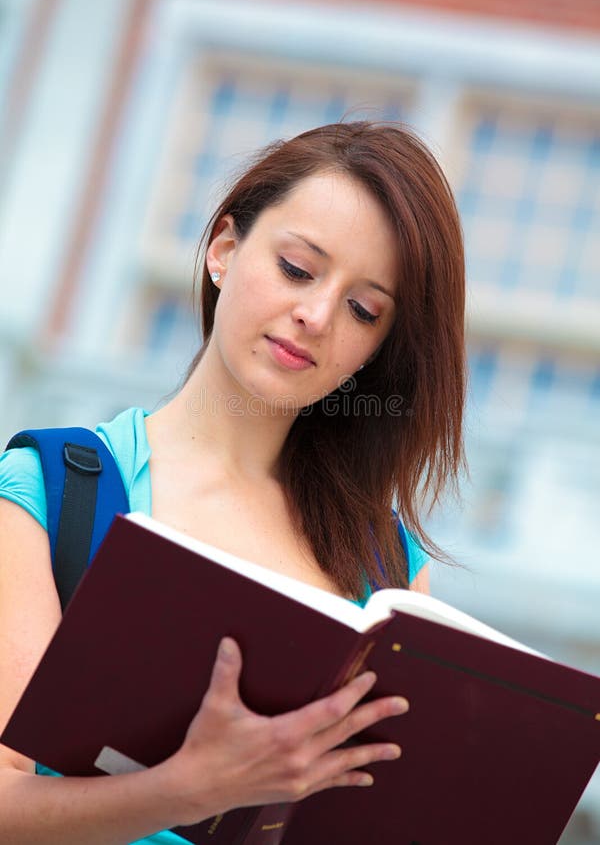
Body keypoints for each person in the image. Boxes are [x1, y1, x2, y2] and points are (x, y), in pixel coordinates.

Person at [0, 120, 466, 843]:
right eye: (298, 269)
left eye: (363, 309)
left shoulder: (387, 562)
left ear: (379, 349)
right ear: (223, 249)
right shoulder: (55, 492)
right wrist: (181, 793)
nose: (314, 315)